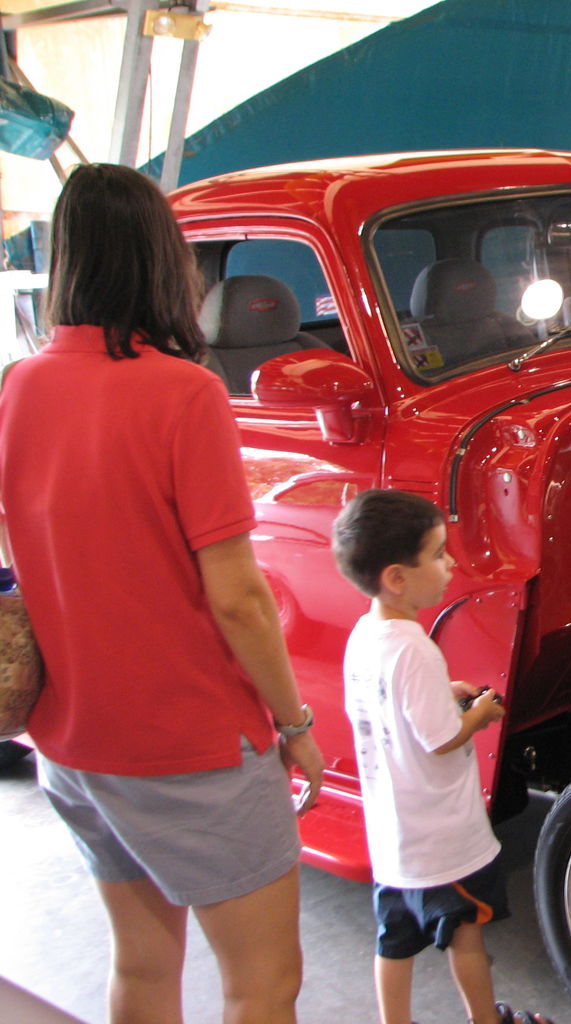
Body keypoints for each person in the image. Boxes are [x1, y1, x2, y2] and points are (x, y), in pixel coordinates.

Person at [0, 162, 325, 1024]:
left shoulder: (20, 384)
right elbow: (239, 599)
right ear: (161, 259)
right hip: (191, 743)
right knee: (264, 982)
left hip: (71, 741)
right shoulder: (184, 392)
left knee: (143, 966)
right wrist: (294, 726)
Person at [331, 488, 552, 1024]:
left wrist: (441, 689)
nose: (450, 563)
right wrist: (480, 715)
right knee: (466, 937)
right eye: (436, 554)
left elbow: (389, 707)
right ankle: (485, 1018)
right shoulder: (414, 648)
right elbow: (439, 738)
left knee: (394, 942)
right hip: (442, 846)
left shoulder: (366, 634)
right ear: (397, 578)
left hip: (394, 842)